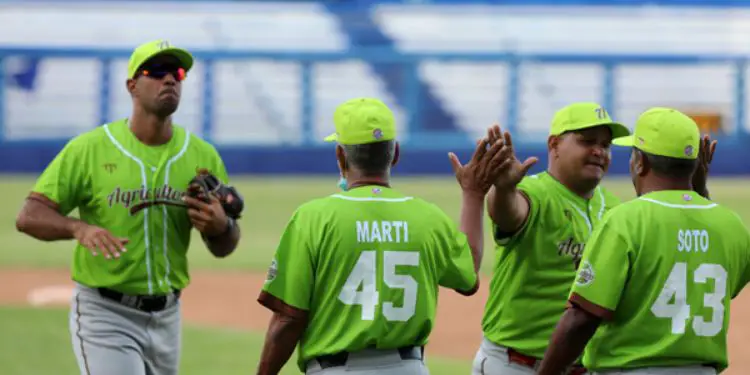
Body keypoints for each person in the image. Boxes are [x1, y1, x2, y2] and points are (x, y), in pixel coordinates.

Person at [14, 39, 241, 375]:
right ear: (132, 85)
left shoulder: (202, 157)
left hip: (168, 316)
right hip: (106, 312)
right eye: (157, 71)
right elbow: (29, 216)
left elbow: (225, 246)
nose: (170, 80)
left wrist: (221, 226)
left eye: (177, 72)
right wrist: (79, 227)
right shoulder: (90, 149)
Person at [255, 97, 503, 375]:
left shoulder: (312, 218)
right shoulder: (427, 216)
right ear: (395, 153)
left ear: (340, 155)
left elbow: (289, 318)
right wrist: (473, 194)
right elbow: (468, 275)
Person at [473, 102, 715, 375]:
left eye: (606, 145)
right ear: (554, 145)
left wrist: (697, 192)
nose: (599, 151)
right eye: (587, 141)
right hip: (516, 364)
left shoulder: (616, 210)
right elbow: (508, 213)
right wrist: (504, 189)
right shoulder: (534, 193)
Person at [537, 107, 742, 375]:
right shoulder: (730, 224)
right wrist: (700, 192)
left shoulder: (624, 220)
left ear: (640, 162)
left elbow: (581, 318)